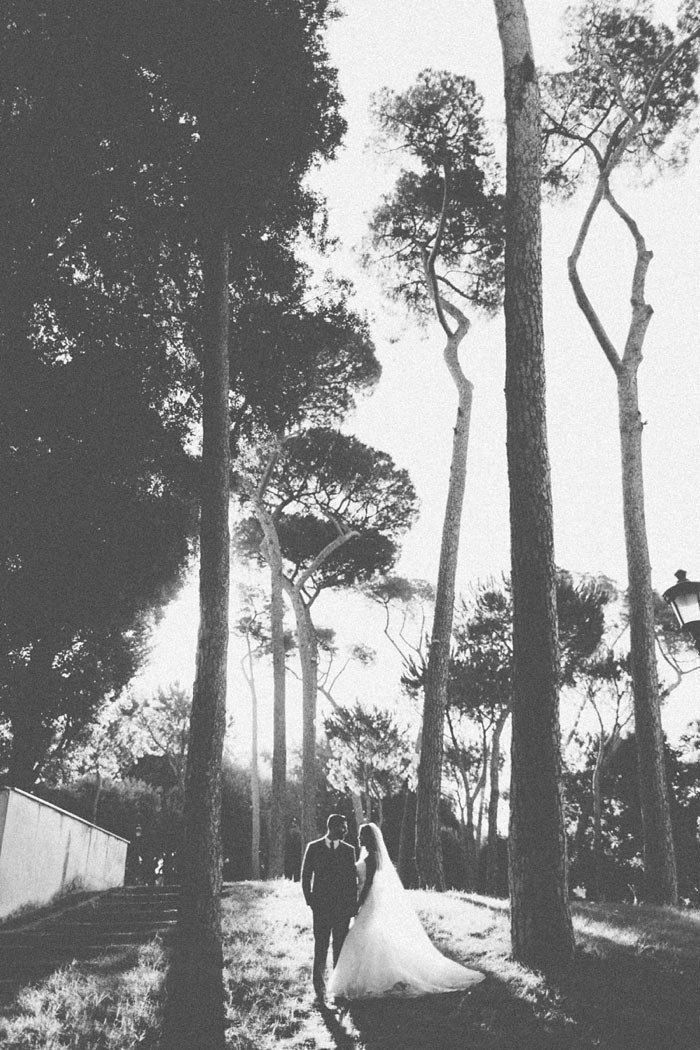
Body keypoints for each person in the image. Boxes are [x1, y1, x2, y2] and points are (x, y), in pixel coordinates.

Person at [327, 822, 485, 1000]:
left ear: (369, 838)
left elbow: (369, 883)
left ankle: (372, 980)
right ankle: (373, 977)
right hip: (369, 902)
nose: (358, 837)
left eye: (362, 835)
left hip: (368, 902)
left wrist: (358, 904)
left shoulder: (372, 857)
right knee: (370, 939)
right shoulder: (371, 855)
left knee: (362, 937)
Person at [301, 813, 358, 1000]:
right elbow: (306, 875)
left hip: (342, 909)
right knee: (321, 946)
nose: (346, 830)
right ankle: (319, 988)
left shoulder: (349, 850)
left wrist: (351, 906)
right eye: (342, 827)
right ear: (332, 827)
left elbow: (351, 881)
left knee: (339, 947)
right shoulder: (314, 847)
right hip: (321, 908)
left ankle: (337, 988)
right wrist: (310, 900)